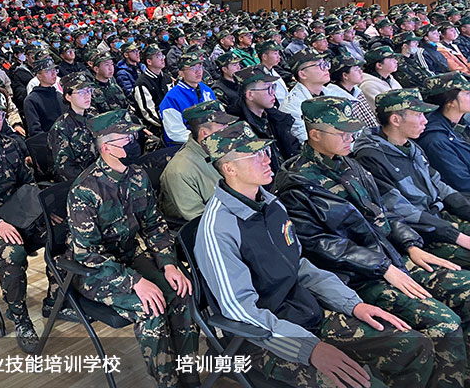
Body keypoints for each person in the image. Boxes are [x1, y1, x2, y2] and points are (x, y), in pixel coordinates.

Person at [196, 121, 435, 388]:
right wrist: (308, 348)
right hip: (263, 339)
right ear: (229, 168)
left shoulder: (270, 203)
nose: (266, 160)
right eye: (254, 155)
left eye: (264, 151)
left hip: (305, 313)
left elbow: (299, 266)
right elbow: (239, 309)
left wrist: (351, 303)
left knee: (415, 346)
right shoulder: (218, 229)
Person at [274, 96, 470, 387]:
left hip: (391, 258)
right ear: (314, 134)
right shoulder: (296, 184)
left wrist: (411, 244)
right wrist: (382, 267)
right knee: (444, 323)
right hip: (360, 276)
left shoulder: (350, 166)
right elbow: (320, 244)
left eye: (351, 130)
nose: (350, 137)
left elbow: (384, 213)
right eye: (341, 132)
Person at [67, 109, 200, 388]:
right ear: (106, 147)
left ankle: (189, 375)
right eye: (125, 138)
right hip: (95, 271)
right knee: (150, 306)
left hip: (130, 256)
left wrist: (168, 264)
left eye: (132, 135)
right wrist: (135, 282)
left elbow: (154, 224)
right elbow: (87, 254)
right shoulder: (85, 191)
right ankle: (168, 382)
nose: (132, 141)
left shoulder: (137, 176)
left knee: (181, 291)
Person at [0, 91, 76, 354]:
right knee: (13, 252)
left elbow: (26, 184)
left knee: (65, 231)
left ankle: (56, 299)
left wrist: (42, 210)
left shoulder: (12, 145)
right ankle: (19, 316)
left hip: (20, 214)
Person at [353, 89, 470, 267]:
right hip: (421, 233)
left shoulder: (410, 146)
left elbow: (437, 183)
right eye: (418, 115)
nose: (425, 120)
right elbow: (400, 209)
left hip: (440, 218)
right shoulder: (371, 157)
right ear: (395, 119)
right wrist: (456, 235)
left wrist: (465, 209)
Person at [159, 100, 236, 222]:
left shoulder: (224, 152)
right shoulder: (180, 170)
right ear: (205, 134)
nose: (228, 130)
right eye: (222, 126)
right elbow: (199, 219)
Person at [234, 66, 300, 174]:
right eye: (267, 88)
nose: (273, 92)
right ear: (250, 94)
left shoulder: (275, 118)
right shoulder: (239, 127)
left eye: (273, 87)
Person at [417, 72, 470, 193]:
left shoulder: (459, 123)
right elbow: (462, 182)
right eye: (467, 94)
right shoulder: (436, 140)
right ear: (449, 102)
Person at [279, 51, 341, 144]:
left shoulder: (333, 93)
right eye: (319, 65)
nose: (326, 68)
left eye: (325, 64)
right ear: (303, 74)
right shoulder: (292, 107)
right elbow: (310, 142)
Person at [47, 72, 97, 182]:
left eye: (89, 90)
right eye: (81, 92)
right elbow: (65, 169)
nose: (87, 95)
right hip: (82, 181)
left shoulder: (93, 115)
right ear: (68, 96)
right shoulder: (61, 128)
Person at [159, 52, 216, 146]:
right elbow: (176, 133)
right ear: (181, 73)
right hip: (187, 146)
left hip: (210, 139)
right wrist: (203, 140)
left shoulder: (206, 90)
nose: (199, 71)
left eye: (200, 67)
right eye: (193, 68)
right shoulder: (171, 99)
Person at [328, 55, 378, 129]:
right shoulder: (335, 98)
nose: (361, 72)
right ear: (345, 75)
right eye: (356, 69)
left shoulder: (357, 91)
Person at [133, 44, 173, 135]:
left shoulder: (167, 78)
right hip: (156, 127)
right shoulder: (142, 84)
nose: (162, 58)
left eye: (162, 55)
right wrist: (168, 124)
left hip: (172, 119)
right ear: (149, 61)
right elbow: (149, 114)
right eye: (158, 56)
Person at [23, 56, 64, 135]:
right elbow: (35, 131)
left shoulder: (59, 95)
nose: (53, 73)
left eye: (54, 70)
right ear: (39, 76)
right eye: (48, 71)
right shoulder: (31, 100)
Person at [360, 46, 403, 114]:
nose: (396, 61)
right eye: (391, 59)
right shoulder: (368, 86)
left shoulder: (390, 79)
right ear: (379, 65)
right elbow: (385, 112)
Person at [256, 39, 289, 107]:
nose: (278, 56)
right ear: (264, 57)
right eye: (275, 54)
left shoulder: (272, 70)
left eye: (278, 53)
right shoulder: (259, 76)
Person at [211, 51, 242, 115]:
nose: (239, 67)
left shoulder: (242, 83)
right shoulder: (218, 90)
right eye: (234, 65)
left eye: (238, 64)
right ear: (224, 69)